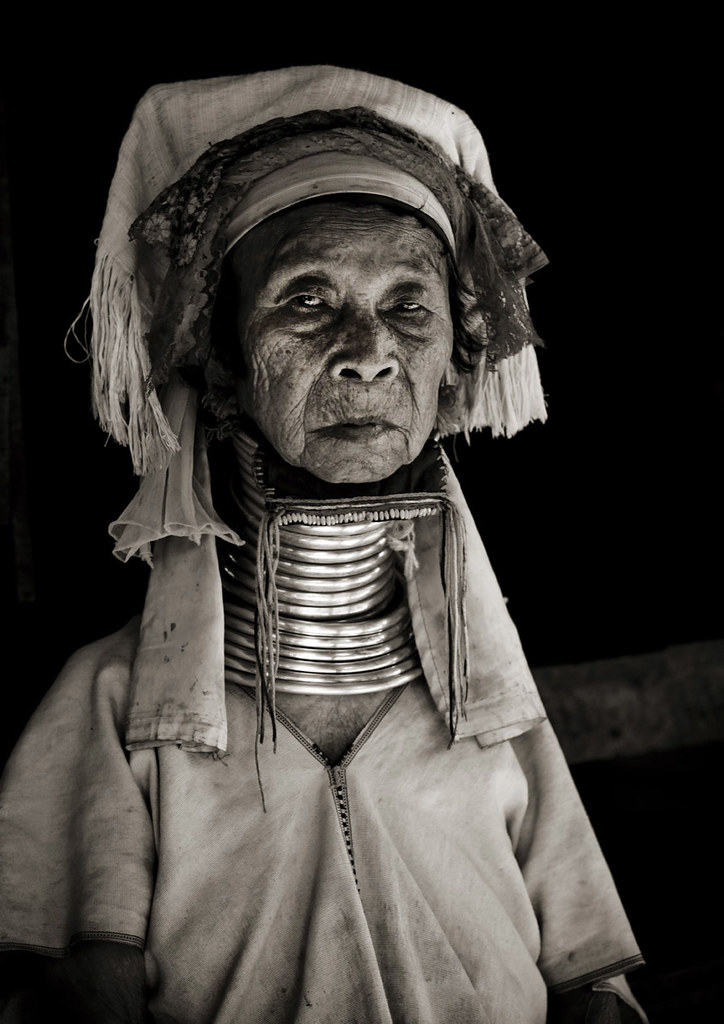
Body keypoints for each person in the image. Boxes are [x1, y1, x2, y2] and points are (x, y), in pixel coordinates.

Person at [0, 66, 649, 1023]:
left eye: (408, 305)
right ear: (220, 354)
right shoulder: (108, 709)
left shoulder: (495, 704)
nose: (370, 350)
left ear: (450, 362)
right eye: (308, 299)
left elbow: (595, 986)